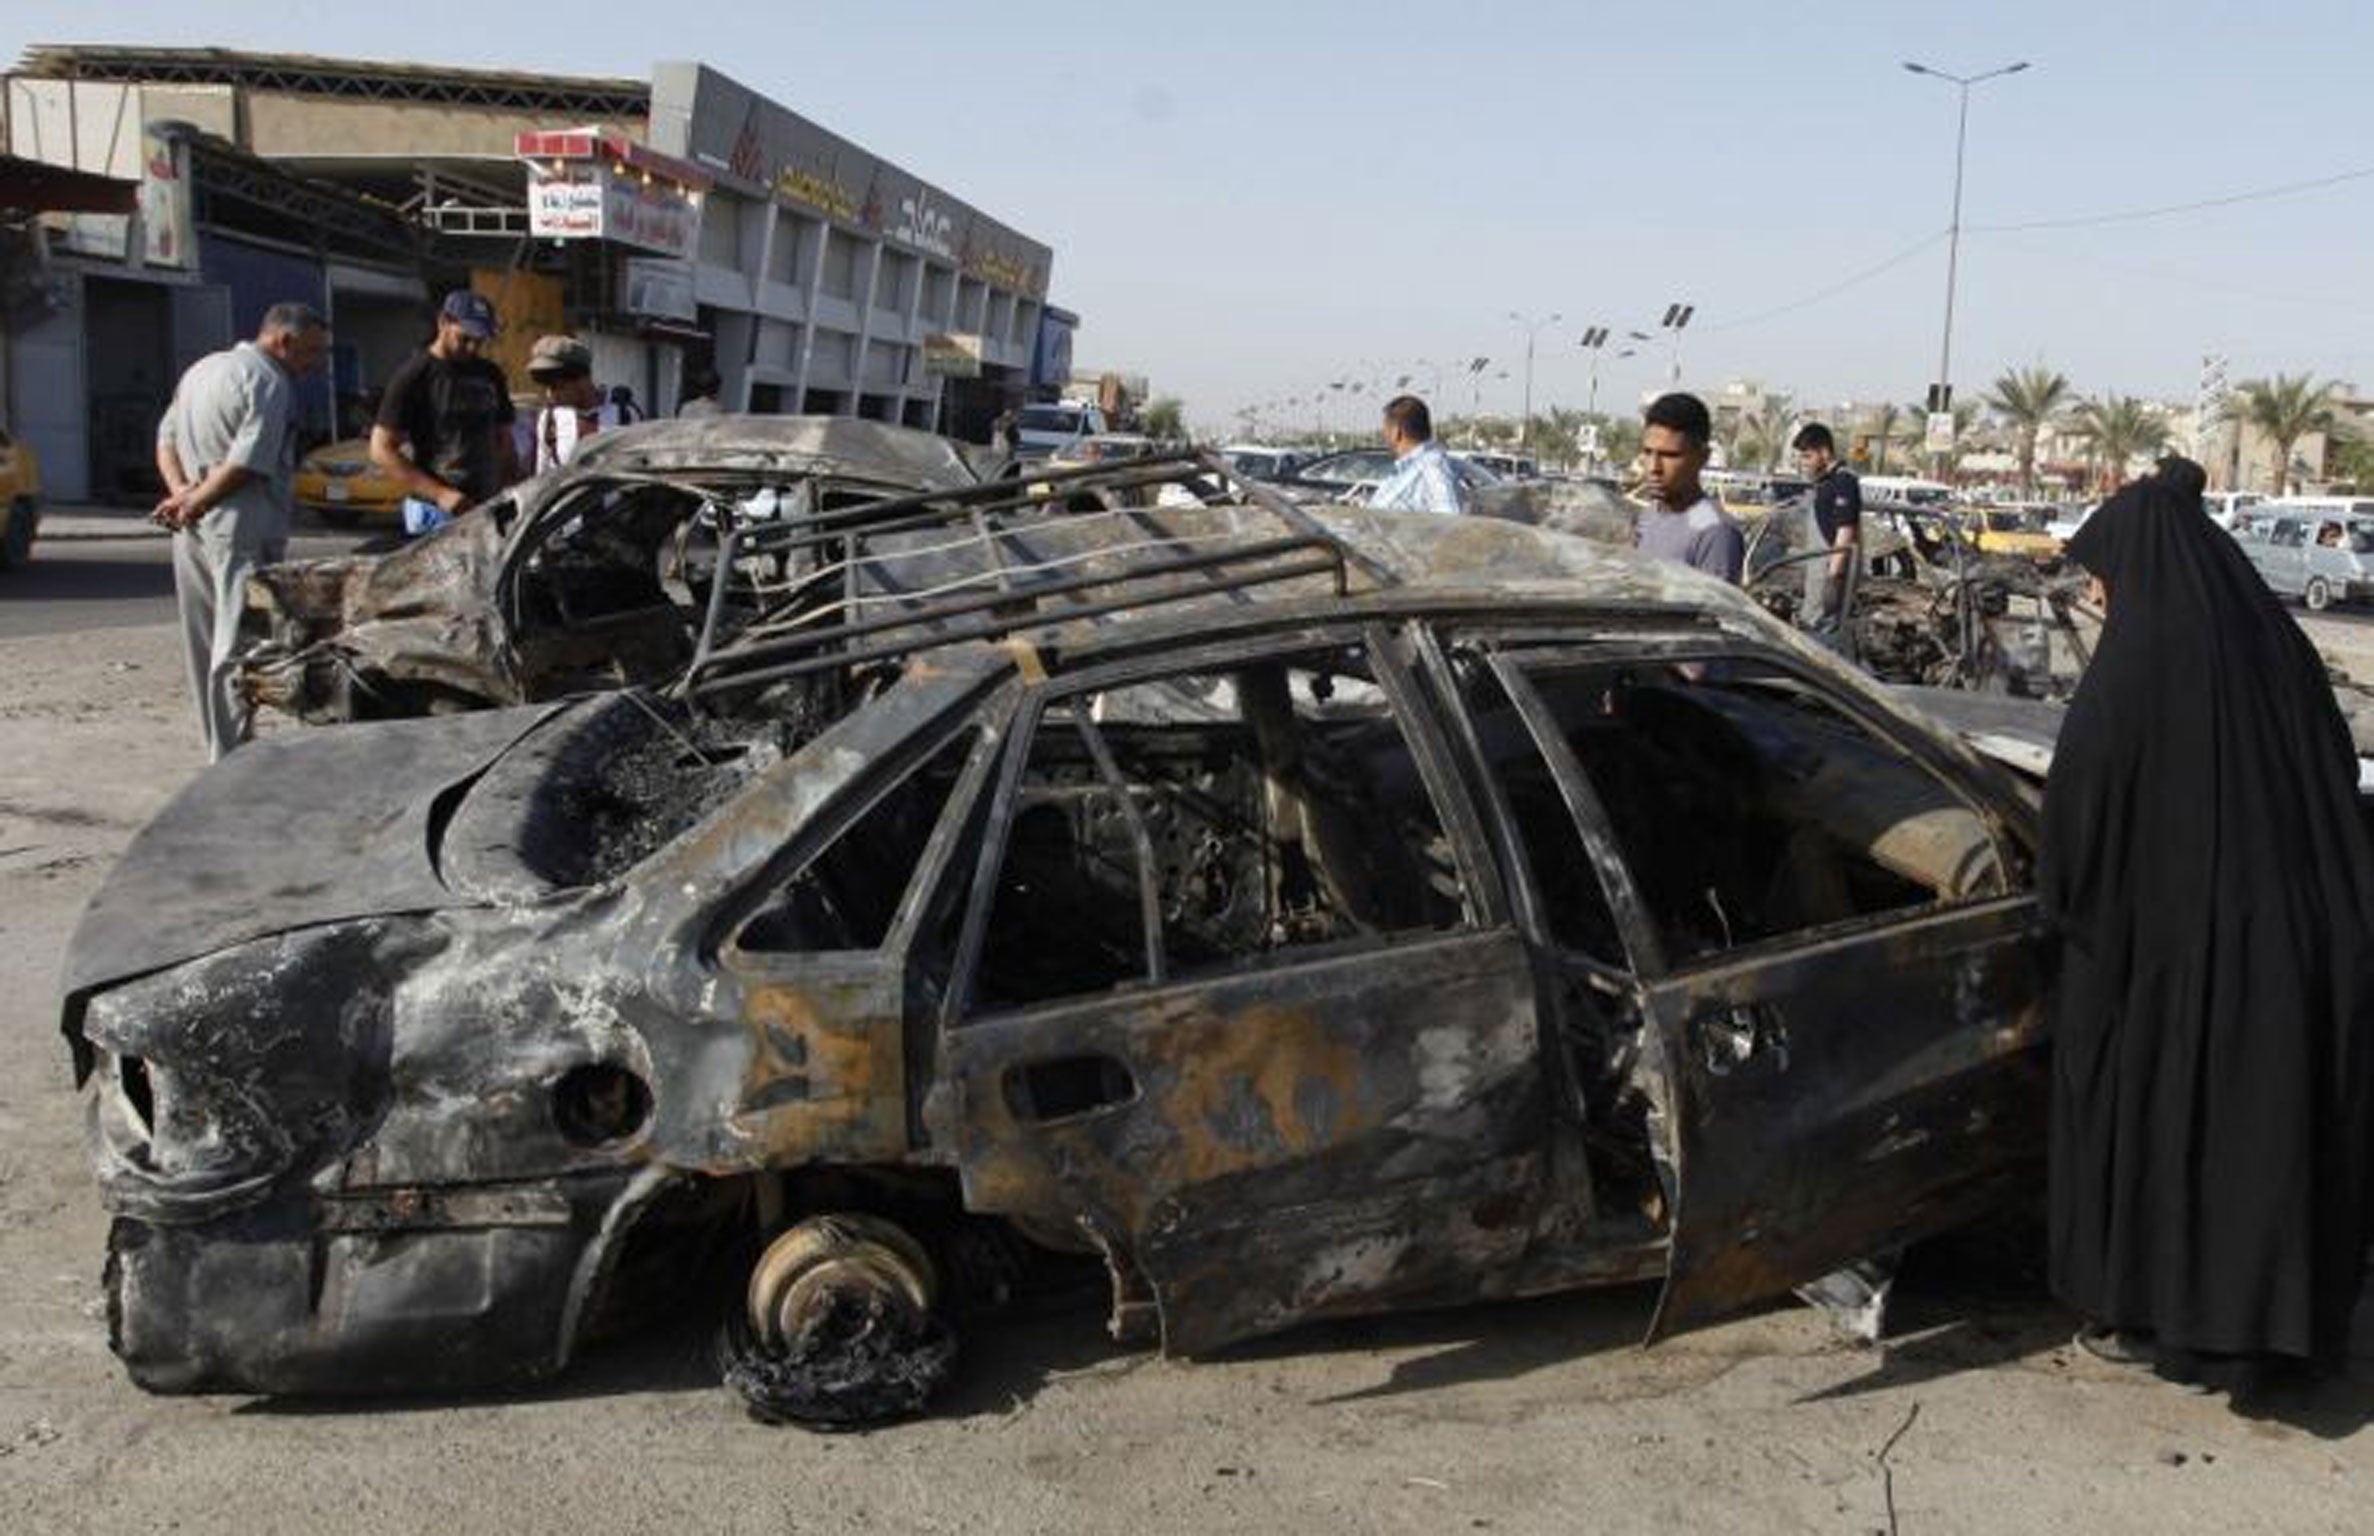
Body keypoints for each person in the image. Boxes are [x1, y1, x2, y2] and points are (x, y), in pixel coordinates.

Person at [2044, 458, 2374, 1396]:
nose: (2100, 597)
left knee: (2176, 1136)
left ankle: (2170, 1322)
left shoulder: (2137, 664)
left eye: (2103, 578)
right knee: (2263, 1148)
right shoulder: (2274, 644)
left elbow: (2081, 821)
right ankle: (2270, 1336)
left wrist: (2065, 910)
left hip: (2180, 963)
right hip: (2304, 945)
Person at [153, 302, 330, 760]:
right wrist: (197, 499)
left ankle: (215, 739)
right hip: (238, 521)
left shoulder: (203, 370)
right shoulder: (269, 382)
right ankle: (228, 752)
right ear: (282, 341)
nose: (315, 365)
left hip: (193, 521)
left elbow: (165, 440)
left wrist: (181, 495)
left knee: (202, 637)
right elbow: (248, 464)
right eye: (311, 353)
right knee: (238, 641)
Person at [372, 289, 518, 536]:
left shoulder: (490, 374)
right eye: (465, 338)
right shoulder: (415, 375)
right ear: (443, 322)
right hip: (435, 513)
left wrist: (508, 483)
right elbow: (381, 450)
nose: (472, 347)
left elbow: (504, 437)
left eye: (480, 340)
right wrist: (440, 494)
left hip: (486, 508)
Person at [1635, 392, 1742, 582]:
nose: (1654, 467)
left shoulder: (1714, 530)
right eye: (1648, 452)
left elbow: (1716, 609)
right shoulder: (1648, 517)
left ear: (1702, 456)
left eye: (1670, 455)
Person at [526, 335, 635, 474]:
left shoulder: (624, 414)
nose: (550, 395)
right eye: (546, 387)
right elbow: (542, 476)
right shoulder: (550, 419)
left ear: (582, 379)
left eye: (556, 387)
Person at [1791, 422, 1860, 638]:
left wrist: (1834, 578)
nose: (1804, 463)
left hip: (1828, 575)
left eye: (1807, 456)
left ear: (1824, 452)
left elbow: (1845, 530)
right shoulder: (1823, 483)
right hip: (1815, 575)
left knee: (1821, 637)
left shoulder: (1844, 481)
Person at [1368, 395, 1464, 515]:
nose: (1383, 435)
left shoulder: (1432, 467)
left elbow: (1450, 519)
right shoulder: (1404, 470)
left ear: (1396, 432)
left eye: (1385, 429)